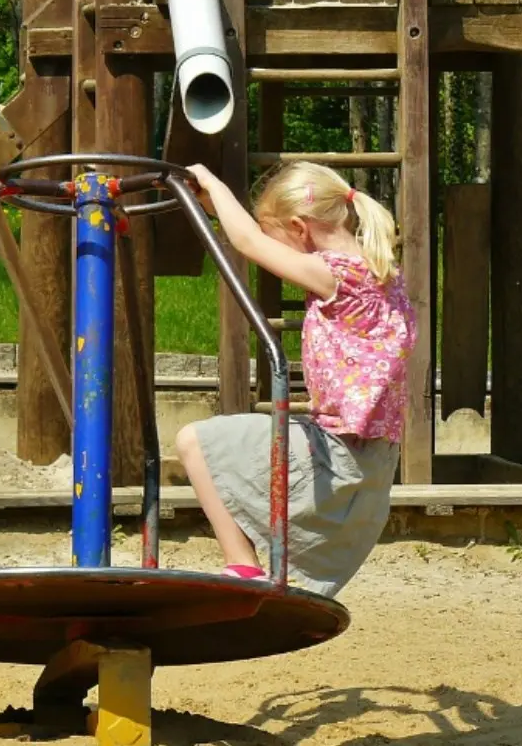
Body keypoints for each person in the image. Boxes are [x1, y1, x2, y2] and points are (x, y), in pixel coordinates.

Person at [177, 161, 416, 598]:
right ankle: (254, 568)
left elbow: (246, 241)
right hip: (373, 458)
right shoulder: (381, 274)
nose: (276, 253)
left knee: (195, 442)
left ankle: (242, 567)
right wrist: (214, 205)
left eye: (277, 238)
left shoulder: (337, 276)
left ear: (298, 227)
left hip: (338, 455)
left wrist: (213, 182)